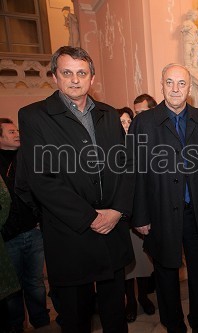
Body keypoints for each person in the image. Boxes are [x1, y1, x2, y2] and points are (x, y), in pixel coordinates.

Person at [17, 46, 134, 333]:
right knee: (75, 316)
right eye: (67, 72)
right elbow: (41, 179)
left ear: (92, 78)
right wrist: (90, 217)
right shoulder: (34, 116)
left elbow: (126, 167)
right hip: (70, 232)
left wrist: (117, 210)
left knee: (114, 314)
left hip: (112, 230)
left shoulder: (108, 113)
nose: (75, 79)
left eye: (81, 73)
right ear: (55, 77)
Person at [130, 63, 198, 333]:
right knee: (167, 271)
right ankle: (174, 325)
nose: (176, 88)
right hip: (160, 211)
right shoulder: (143, 123)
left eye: (181, 83)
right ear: (162, 85)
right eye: (170, 82)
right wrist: (140, 216)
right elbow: (135, 172)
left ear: (189, 88)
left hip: (196, 211)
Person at [0, 119, 50, 332]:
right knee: (12, 287)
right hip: (7, 238)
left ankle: (41, 321)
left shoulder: (28, 157)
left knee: (36, 282)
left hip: (33, 231)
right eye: (11, 132)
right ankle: (16, 325)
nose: (17, 134)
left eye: (17, 130)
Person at [115, 107, 156, 323]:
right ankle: (129, 300)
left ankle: (143, 297)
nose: (126, 125)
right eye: (121, 122)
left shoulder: (143, 145)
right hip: (122, 216)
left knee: (142, 262)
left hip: (141, 212)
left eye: (128, 120)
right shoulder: (112, 147)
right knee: (126, 266)